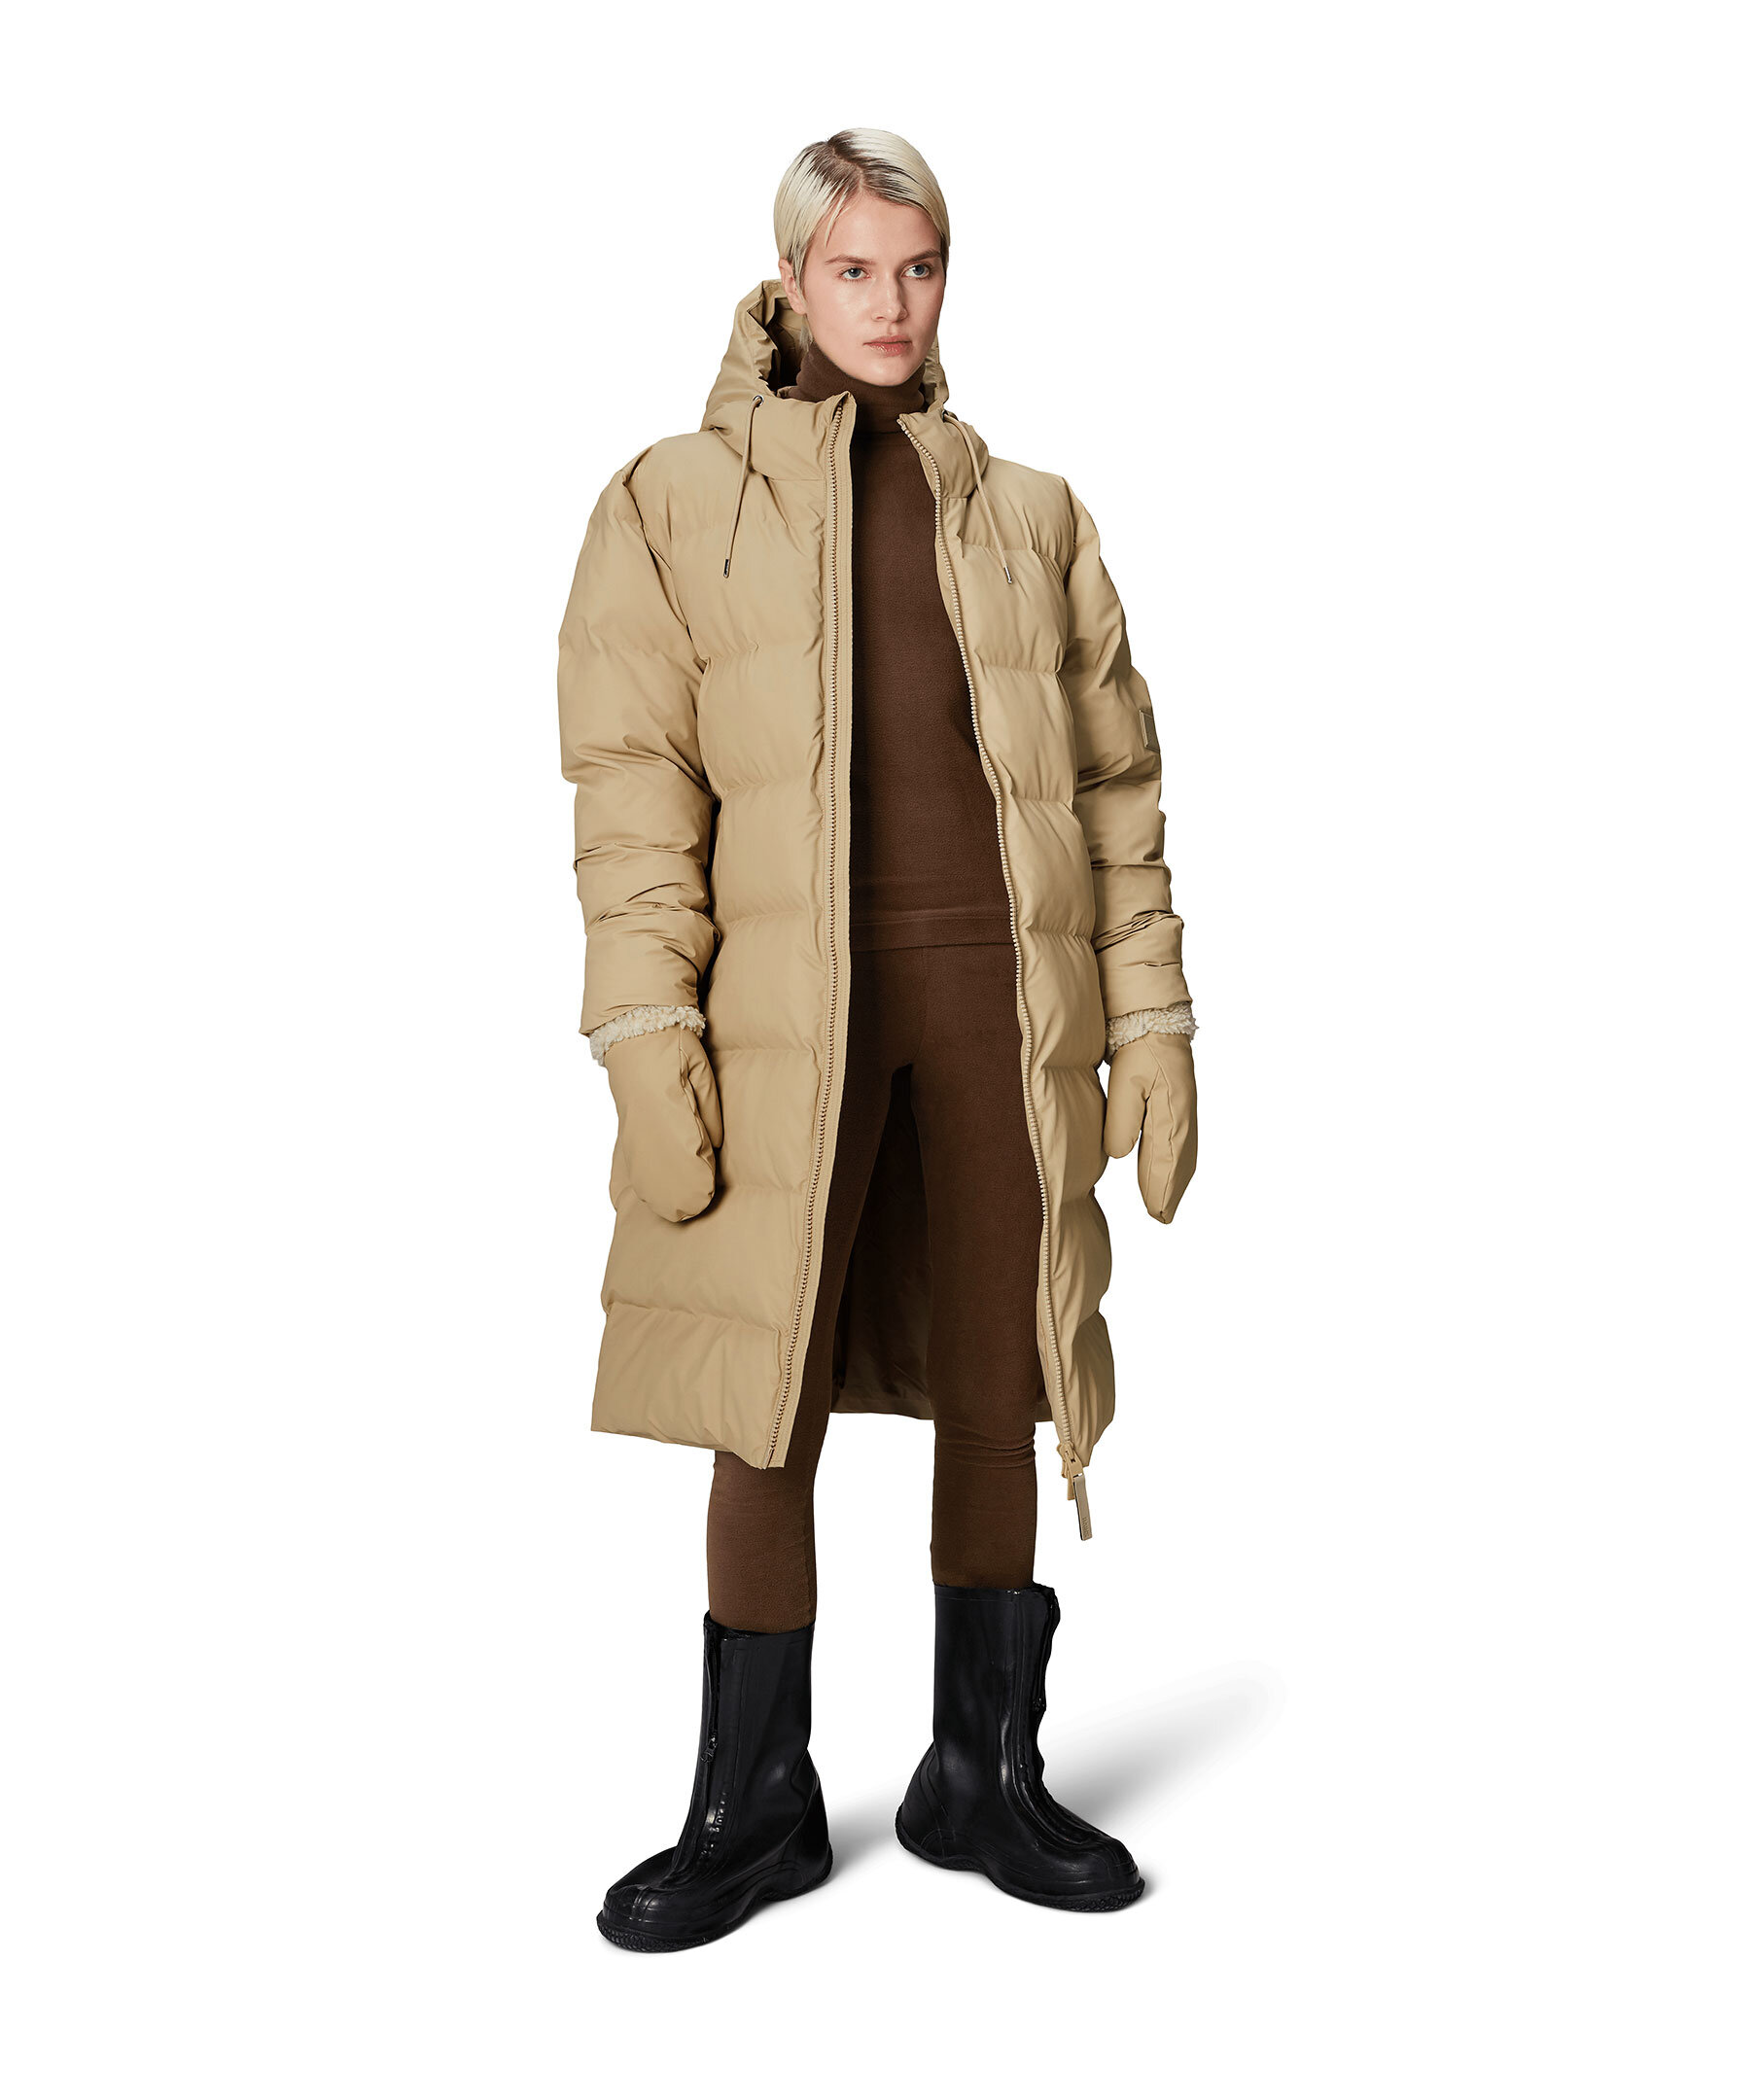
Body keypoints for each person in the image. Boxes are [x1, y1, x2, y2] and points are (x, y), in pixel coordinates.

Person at [558, 129, 1198, 1953]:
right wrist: (640, 1024)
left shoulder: (1030, 514)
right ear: (790, 279)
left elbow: (1116, 788)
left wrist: (1152, 1013)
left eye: (918, 268)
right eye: (854, 269)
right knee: (763, 1395)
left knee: (1005, 1376)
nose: (890, 303)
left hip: (1002, 1002)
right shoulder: (672, 503)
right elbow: (632, 787)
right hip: (793, 1016)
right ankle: (754, 1803)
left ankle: (981, 1771)